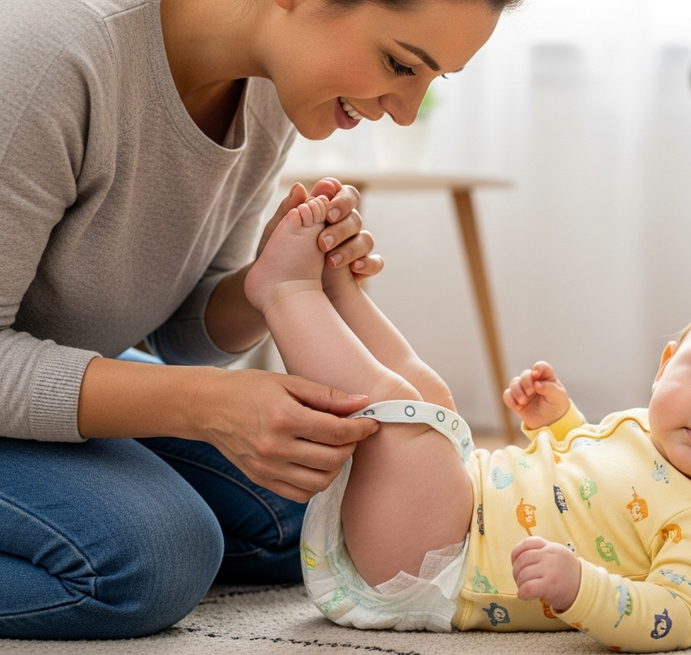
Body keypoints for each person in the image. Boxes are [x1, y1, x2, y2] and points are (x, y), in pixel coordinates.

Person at [0, 0, 516, 640]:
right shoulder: (54, 52)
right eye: (400, 64)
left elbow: (179, 334)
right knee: (150, 560)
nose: (406, 113)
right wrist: (205, 406)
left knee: (319, 503)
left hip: (49, 365)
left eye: (432, 81)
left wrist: (272, 283)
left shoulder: (269, 90)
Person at [241, 195, 691, 650]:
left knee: (405, 415)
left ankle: (285, 295)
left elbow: (677, 615)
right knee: (427, 392)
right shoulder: (643, 433)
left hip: (442, 566)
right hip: (461, 499)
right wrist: (559, 423)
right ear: (667, 364)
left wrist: (582, 588)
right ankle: (341, 293)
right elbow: (597, 486)